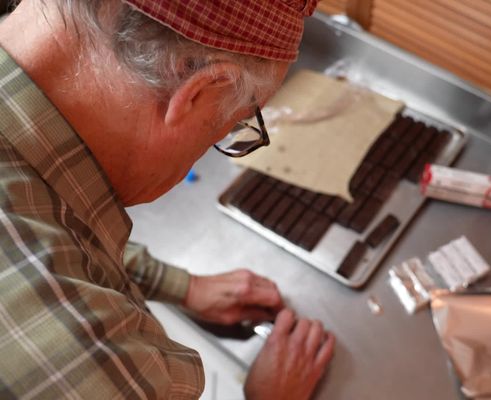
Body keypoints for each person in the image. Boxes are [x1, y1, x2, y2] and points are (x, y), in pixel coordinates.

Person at [0, 1, 335, 399]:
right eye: (235, 123)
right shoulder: (94, 373)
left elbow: (50, 224)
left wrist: (181, 287)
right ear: (198, 92)